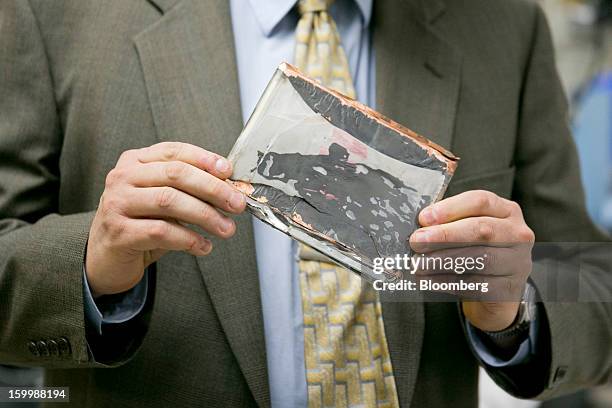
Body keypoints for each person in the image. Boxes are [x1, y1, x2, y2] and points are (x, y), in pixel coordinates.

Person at [0, 0, 610, 407]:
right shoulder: (53, 14)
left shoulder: (503, 26)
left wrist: (517, 306)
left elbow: (591, 280)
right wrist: (90, 264)